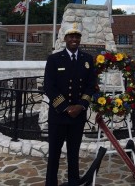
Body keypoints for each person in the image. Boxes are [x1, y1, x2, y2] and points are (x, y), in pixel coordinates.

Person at [44, 23, 97, 186]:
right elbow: (49, 86)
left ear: (80, 39)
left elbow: (91, 85)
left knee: (74, 153)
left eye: (77, 36)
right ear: (65, 39)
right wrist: (66, 107)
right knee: (54, 153)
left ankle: (73, 182)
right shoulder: (54, 59)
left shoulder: (87, 59)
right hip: (59, 115)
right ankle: (51, 183)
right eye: (71, 36)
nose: (74, 39)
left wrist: (81, 105)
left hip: (78, 115)